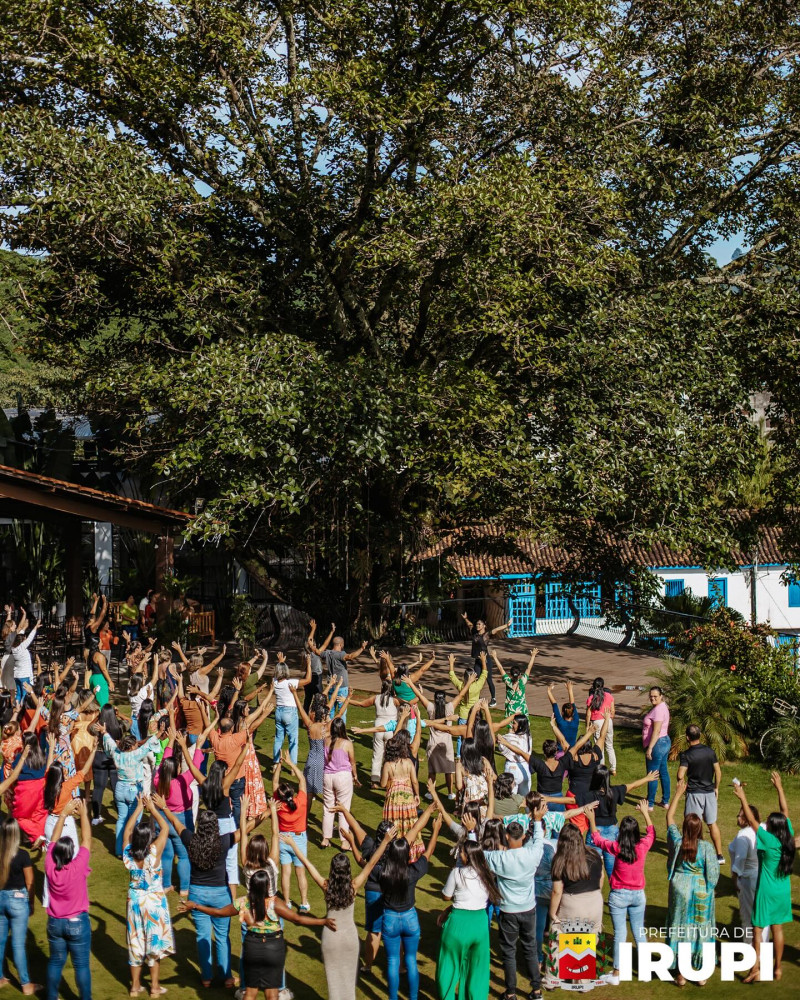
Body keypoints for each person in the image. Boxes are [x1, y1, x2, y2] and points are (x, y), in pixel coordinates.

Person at [179, 869, 334, 1000]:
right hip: (274, 947)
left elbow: (219, 913)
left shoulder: (243, 902)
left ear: (251, 886)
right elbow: (297, 919)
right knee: (272, 993)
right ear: (267, 886)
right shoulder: (275, 903)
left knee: (251, 992)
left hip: (252, 947)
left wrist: (196, 905)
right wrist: (323, 921)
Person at [287, 827, 396, 1000]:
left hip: (331, 938)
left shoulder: (326, 886)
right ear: (347, 870)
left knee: (334, 985)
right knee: (348, 985)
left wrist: (293, 844)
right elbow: (371, 863)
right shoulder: (354, 886)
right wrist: (385, 841)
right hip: (349, 938)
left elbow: (308, 864)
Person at [160, 800, 240, 988]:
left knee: (202, 935)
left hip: (196, 894)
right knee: (222, 937)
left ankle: (206, 977)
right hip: (221, 894)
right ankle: (227, 977)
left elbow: (176, 823)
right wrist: (265, 815)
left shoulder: (191, 839)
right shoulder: (223, 841)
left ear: (199, 825)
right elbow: (245, 831)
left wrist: (164, 807)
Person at [586, 800, 655, 985]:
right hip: (638, 895)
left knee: (620, 934)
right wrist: (645, 813)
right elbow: (651, 833)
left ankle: (616, 973)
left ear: (621, 833)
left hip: (618, 896)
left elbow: (597, 839)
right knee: (640, 932)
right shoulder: (642, 847)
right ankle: (646, 971)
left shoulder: (616, 848)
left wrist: (592, 819)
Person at [483, 802, 547, 1000]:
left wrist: (470, 832)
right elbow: (538, 839)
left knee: (509, 952)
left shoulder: (499, 859)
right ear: (522, 837)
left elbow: (477, 853)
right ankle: (536, 991)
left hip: (509, 911)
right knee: (530, 948)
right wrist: (537, 820)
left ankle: (511, 993)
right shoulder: (532, 854)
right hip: (528, 910)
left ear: (507, 837)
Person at [734, 772, 795, 983]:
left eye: (768, 823)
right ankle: (777, 969)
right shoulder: (786, 837)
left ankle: (755, 969)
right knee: (777, 928)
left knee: (757, 930)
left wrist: (742, 796)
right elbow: (785, 812)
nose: (765, 824)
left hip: (766, 891)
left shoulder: (768, 841)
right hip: (783, 890)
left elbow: (751, 821)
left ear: (771, 828)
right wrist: (779, 787)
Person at [380, 818, 442, 1000]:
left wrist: (385, 842)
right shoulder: (412, 871)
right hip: (410, 918)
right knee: (411, 960)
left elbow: (370, 861)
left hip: (390, 918)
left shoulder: (383, 872)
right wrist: (435, 830)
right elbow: (428, 852)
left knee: (392, 961)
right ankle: (413, 997)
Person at [665, 779, 719, 985]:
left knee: (680, 928)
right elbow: (713, 875)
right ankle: (700, 973)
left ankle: (680, 974)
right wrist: (708, 888)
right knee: (700, 930)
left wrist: (679, 793)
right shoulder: (706, 848)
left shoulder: (678, 843)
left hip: (680, 890)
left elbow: (669, 817)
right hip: (700, 892)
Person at [122, 795, 174, 997]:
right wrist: (152, 808)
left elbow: (127, 831)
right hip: (153, 902)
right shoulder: (153, 852)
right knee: (154, 943)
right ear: (149, 838)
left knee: (135, 942)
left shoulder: (129, 855)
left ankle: (135, 986)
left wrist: (138, 809)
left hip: (135, 901)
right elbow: (166, 828)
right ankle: (154, 987)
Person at [436, 840, 502, 1000]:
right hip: (480, 925)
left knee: (448, 968)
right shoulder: (486, 874)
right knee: (477, 971)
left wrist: (449, 908)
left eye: (462, 852)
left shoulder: (457, 873)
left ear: (469, 856)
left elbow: (446, 896)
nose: (460, 854)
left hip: (458, 925)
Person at [45, 799, 93, 1000]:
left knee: (55, 962)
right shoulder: (78, 865)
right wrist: (83, 814)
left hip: (55, 922)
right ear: (71, 853)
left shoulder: (49, 863)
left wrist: (63, 814)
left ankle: (51, 996)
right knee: (81, 965)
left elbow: (52, 841)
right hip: (77, 923)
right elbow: (87, 840)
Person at [580, 764, 659, 878]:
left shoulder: (589, 795)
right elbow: (632, 786)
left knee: (590, 871)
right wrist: (647, 778)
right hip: (612, 831)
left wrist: (549, 798)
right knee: (612, 872)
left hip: (595, 829)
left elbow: (571, 800)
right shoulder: (615, 791)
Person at [97, 722, 162, 857]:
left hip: (120, 789)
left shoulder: (117, 753)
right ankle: (133, 849)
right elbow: (149, 745)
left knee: (121, 819)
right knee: (135, 820)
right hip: (134, 791)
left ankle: (120, 850)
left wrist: (104, 732)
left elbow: (109, 742)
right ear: (132, 746)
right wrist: (160, 733)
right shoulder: (135, 754)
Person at [0, 816, 39, 995]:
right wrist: (31, 903)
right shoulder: (22, 855)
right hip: (17, 901)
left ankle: (1, 978)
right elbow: (30, 883)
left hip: (1, 900)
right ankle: (26, 984)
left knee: (0, 942)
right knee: (17, 945)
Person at [677, 724, 724, 861]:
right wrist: (716, 787)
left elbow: (680, 774)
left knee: (692, 824)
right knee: (712, 823)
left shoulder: (686, 755)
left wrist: (682, 782)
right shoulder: (710, 752)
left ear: (687, 737)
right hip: (709, 793)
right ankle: (719, 855)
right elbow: (718, 771)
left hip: (694, 794)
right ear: (700, 735)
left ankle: (692, 853)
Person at [550, 822, 605, 935]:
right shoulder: (594, 854)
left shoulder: (559, 860)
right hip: (595, 903)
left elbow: (557, 891)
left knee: (563, 945)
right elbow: (602, 876)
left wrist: (552, 913)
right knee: (588, 946)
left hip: (572, 905)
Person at [272, 753, 311, 911]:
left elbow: (275, 781)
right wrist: (290, 763)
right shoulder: (301, 801)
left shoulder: (278, 805)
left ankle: (287, 902)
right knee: (300, 872)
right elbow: (302, 779)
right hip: (299, 839)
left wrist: (279, 764)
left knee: (286, 872)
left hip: (283, 839)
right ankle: (303, 902)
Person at [347, 679, 397, 788]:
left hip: (378, 728)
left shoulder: (376, 698)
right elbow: (408, 702)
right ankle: (388, 778)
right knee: (391, 755)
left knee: (377, 755)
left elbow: (361, 704)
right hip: (390, 730)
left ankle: (375, 780)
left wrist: (347, 700)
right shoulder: (395, 700)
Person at [728, 799, 764, 943]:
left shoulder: (742, 835)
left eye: (740, 815)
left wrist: (734, 878)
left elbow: (740, 859)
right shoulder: (763, 829)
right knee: (762, 916)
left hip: (748, 880)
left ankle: (751, 950)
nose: (737, 817)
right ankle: (762, 949)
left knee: (747, 916)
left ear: (746, 819)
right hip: (763, 877)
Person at [321, 717, 359, 850]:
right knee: (343, 809)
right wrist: (355, 776)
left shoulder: (326, 741)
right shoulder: (347, 743)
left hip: (328, 777)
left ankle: (325, 839)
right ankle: (344, 841)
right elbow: (352, 762)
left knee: (328, 807)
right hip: (343, 777)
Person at [460, 610, 512, 707]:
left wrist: (507, 625)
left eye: (479, 624)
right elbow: (470, 625)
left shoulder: (486, 635)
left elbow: (496, 629)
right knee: (475, 678)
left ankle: (493, 699)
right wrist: (465, 618)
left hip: (486, 660)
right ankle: (476, 697)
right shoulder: (474, 632)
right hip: (477, 660)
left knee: (488, 679)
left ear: (484, 625)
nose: (477, 625)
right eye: (477, 624)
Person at [312, 634, 368, 722]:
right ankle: (341, 732)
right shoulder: (340, 654)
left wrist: (311, 645)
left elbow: (317, 652)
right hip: (341, 687)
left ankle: (330, 730)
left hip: (331, 685)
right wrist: (361, 648)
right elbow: (350, 656)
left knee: (330, 710)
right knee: (342, 712)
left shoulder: (327, 653)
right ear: (341, 645)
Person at [272, 653, 312, 764]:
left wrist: (280, 662)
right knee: (293, 741)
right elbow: (308, 680)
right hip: (290, 712)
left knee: (278, 739)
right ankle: (293, 767)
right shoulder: (290, 683)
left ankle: (276, 763)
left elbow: (276, 673)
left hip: (279, 712)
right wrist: (308, 664)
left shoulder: (274, 682)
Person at [642, 686, 671, 808]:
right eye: (651, 696)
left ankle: (650, 803)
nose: (652, 698)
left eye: (655, 696)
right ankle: (665, 801)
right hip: (664, 741)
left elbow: (657, 730)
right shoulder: (662, 706)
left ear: (661, 696)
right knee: (663, 772)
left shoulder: (658, 710)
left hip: (657, 744)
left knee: (653, 774)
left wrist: (650, 748)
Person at [3, 613, 39, 705]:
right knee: (25, 694)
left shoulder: (13, 648)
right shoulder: (22, 647)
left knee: (18, 694)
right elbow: (30, 638)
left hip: (17, 675)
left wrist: (24, 628)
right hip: (24, 676)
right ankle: (22, 711)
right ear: (21, 641)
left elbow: (18, 635)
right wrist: (35, 627)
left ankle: (16, 708)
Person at [492, 646, 538, 717]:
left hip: (510, 710)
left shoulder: (508, 682)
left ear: (510, 674)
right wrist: (533, 656)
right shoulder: (522, 682)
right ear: (520, 674)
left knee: (511, 728)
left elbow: (501, 668)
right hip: (522, 710)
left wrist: (495, 657)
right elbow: (529, 668)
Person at [585, 677, 616, 773]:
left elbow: (588, 713)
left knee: (599, 746)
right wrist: (609, 718)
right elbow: (613, 711)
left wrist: (587, 725)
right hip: (608, 720)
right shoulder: (609, 696)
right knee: (609, 745)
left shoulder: (591, 697)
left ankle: (601, 767)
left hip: (597, 722)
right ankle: (613, 768)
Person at [304, 619, 333, 711]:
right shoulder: (311, 652)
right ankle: (315, 717)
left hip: (314, 677)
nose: (314, 644)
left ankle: (311, 717)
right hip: (313, 677)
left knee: (311, 699)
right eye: (313, 644)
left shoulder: (314, 652)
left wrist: (332, 632)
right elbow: (310, 640)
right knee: (315, 698)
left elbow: (325, 644)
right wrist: (313, 629)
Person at [547, 680, 579, 749]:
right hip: (572, 752)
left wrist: (549, 691)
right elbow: (572, 703)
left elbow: (554, 705)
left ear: (562, 713)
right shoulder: (576, 721)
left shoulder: (560, 722)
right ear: (573, 713)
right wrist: (570, 690)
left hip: (561, 752)